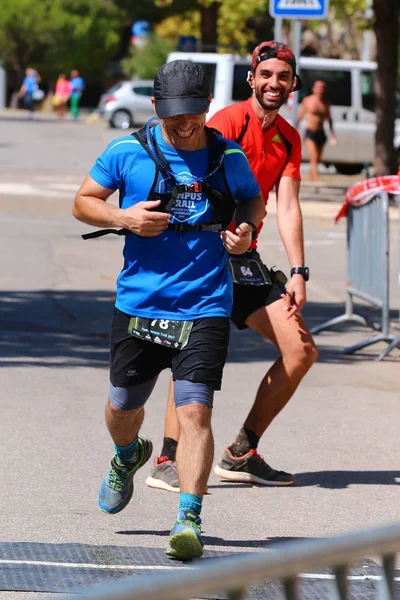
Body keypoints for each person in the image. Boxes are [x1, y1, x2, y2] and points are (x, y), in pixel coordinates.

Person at [72, 59, 264, 561]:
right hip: (139, 302)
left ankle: (188, 519)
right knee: (121, 408)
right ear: (156, 107)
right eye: (174, 114)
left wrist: (244, 233)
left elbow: (251, 202)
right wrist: (123, 216)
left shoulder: (227, 156)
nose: (185, 124)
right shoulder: (126, 151)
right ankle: (127, 455)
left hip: (205, 303)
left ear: (207, 108)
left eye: (194, 114)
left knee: (195, 410)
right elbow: (83, 202)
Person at [145, 41, 319, 494]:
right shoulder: (226, 122)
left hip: (244, 259)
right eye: (266, 75)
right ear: (252, 79)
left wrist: (298, 271)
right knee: (189, 346)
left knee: (301, 351)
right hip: (203, 255)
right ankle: (166, 458)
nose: (274, 83)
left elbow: (287, 207)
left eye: (283, 77)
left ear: (293, 84)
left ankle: (241, 451)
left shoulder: (289, 137)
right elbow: (188, 177)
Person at [296, 80, 336, 182]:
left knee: (318, 158)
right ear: (314, 89)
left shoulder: (325, 103)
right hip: (310, 132)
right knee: (313, 155)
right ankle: (316, 177)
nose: (320, 90)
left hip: (321, 132)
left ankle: (310, 177)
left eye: (322, 88)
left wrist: (332, 133)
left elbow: (329, 119)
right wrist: (294, 131)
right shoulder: (307, 101)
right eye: (318, 87)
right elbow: (299, 117)